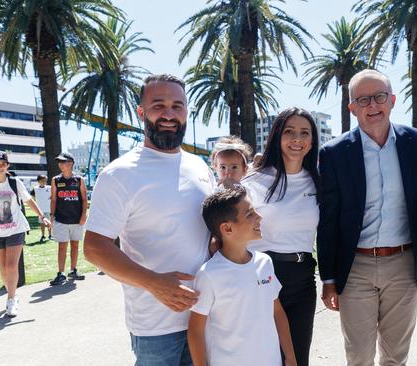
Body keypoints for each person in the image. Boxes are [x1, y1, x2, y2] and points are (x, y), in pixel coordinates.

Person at [84, 74, 215, 364]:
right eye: (159, 105)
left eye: (177, 106)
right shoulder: (119, 174)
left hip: (207, 314)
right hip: (156, 328)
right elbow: (95, 248)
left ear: (186, 112)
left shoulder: (200, 167)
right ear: (141, 112)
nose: (169, 114)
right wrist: (154, 283)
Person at [317, 69, 417, 366]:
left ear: (392, 101)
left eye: (379, 97)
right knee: (359, 355)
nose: (373, 105)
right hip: (355, 267)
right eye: (363, 99)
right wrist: (329, 277)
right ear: (351, 107)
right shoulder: (333, 153)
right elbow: (328, 220)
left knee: (396, 356)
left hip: (404, 266)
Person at [242, 107, 320, 365]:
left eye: (304, 133)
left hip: (303, 279)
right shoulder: (254, 181)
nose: (297, 139)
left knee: (297, 358)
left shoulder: (318, 181)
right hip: (263, 277)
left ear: (312, 141)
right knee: (264, 356)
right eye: (289, 132)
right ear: (277, 136)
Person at [187, 186, 296, 366]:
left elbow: (277, 311)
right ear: (227, 228)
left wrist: (290, 355)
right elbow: (195, 331)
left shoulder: (265, 263)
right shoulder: (209, 275)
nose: (259, 217)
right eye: (249, 214)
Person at [0, 150, 51, 317]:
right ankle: (12, 292)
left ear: (7, 166)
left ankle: (11, 299)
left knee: (12, 265)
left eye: (3, 164)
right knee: (4, 268)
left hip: (15, 229)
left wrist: (42, 217)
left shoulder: (15, 183)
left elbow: (29, 201)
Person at [49, 153, 88, 285]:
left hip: (77, 219)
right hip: (61, 219)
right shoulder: (55, 180)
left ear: (70, 163)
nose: (60, 164)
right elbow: (54, 199)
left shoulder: (79, 180)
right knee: (62, 247)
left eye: (63, 162)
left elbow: (84, 199)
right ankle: (61, 273)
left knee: (75, 245)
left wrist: (84, 215)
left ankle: (73, 270)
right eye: (59, 162)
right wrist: (52, 216)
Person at [32, 174, 52, 242]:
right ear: (38, 181)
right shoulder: (35, 189)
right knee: (42, 223)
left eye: (45, 181)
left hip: (48, 209)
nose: (44, 182)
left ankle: (50, 235)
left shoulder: (49, 188)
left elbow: (53, 196)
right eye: (42, 180)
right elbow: (32, 198)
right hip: (40, 210)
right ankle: (43, 236)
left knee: (49, 223)